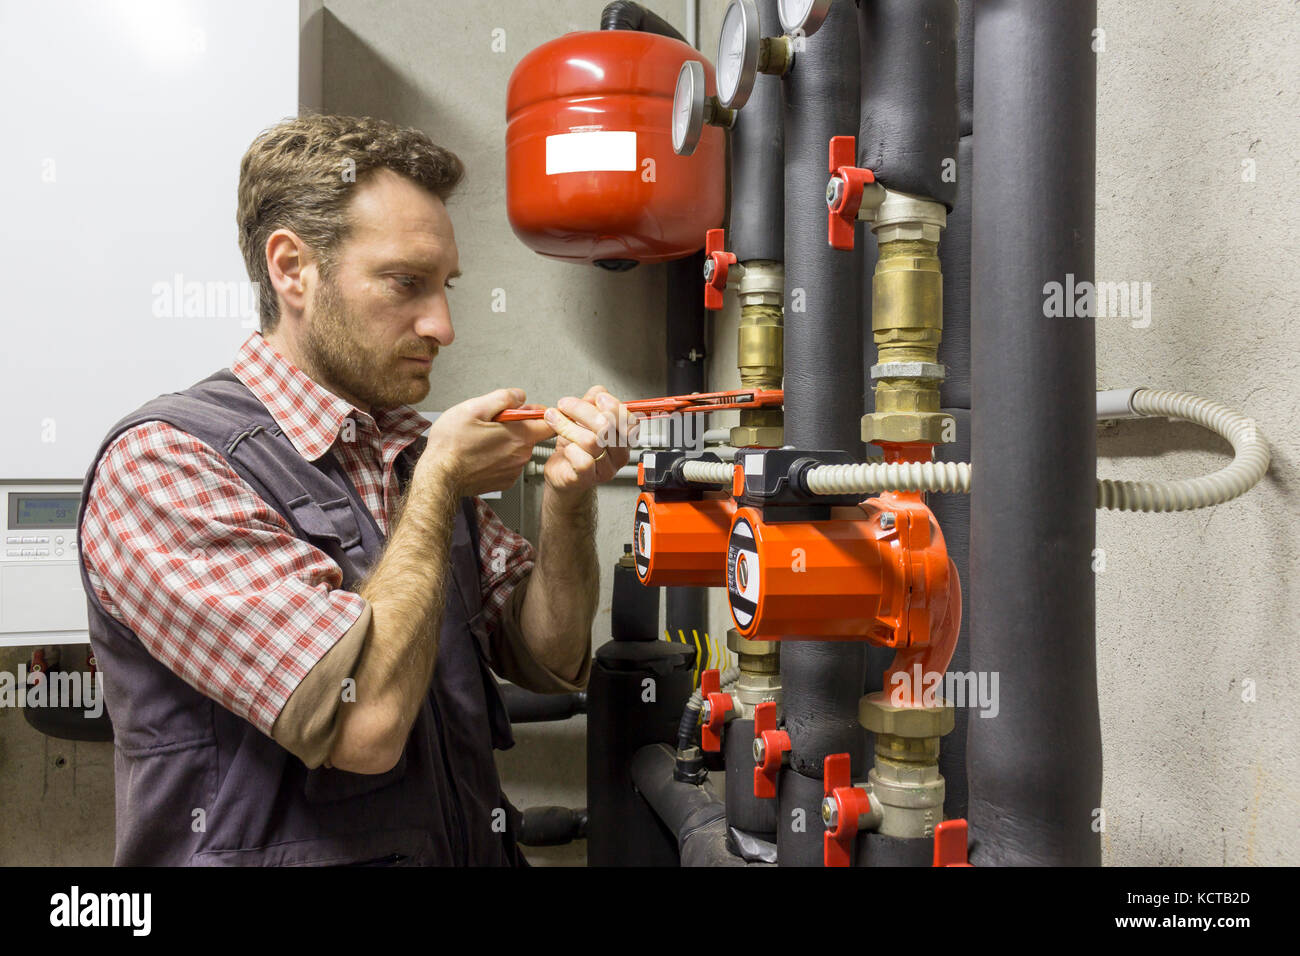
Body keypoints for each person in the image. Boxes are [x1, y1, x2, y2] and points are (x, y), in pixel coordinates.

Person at [76, 114, 636, 865]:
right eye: (406, 282)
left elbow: (550, 656)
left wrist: (567, 504)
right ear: (291, 269)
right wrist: (438, 483)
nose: (442, 325)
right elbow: (363, 724)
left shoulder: (402, 446)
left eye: (445, 288)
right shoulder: (164, 467)